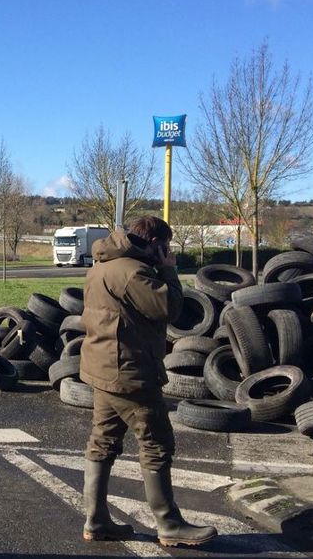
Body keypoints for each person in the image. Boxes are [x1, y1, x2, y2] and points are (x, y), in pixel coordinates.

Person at [79, 216, 217, 547]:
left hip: (103, 367)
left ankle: (96, 521)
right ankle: (168, 524)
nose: (168, 252)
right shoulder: (131, 272)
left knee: (103, 441)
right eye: (166, 247)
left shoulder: (102, 265)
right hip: (130, 372)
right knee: (157, 444)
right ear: (154, 244)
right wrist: (168, 270)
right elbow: (169, 308)